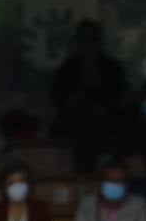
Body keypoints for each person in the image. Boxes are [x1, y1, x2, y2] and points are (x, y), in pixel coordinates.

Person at [49, 19, 126, 175]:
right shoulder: (67, 68)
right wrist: (75, 99)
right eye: (83, 39)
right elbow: (58, 97)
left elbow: (119, 96)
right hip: (72, 125)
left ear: (98, 41)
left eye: (92, 39)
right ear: (78, 42)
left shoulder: (112, 68)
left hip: (106, 124)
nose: (88, 44)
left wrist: (100, 105)